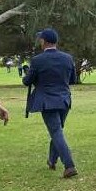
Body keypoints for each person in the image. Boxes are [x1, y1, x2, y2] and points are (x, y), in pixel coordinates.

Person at [23, 29, 78, 178]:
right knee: (57, 130)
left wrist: (28, 73)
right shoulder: (68, 58)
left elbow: (27, 81)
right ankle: (52, 160)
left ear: (43, 41)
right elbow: (73, 80)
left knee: (56, 132)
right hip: (65, 100)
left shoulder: (37, 60)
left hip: (47, 101)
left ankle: (69, 165)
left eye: (40, 39)